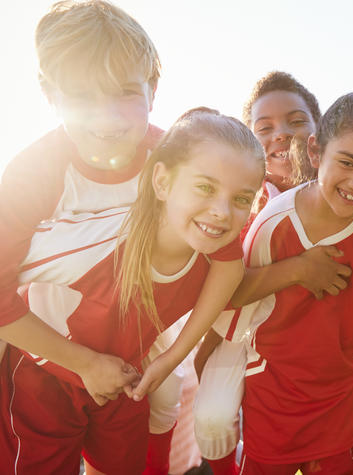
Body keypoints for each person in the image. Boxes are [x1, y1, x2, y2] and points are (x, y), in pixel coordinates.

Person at [0, 3, 247, 473]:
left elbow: (228, 260)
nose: (106, 116)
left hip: (127, 370)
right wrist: (83, 363)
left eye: (124, 92)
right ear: (50, 94)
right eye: (81, 95)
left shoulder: (176, 158)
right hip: (42, 368)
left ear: (153, 90)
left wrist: (171, 356)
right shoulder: (32, 175)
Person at [194, 75, 353, 475]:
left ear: (314, 133)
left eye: (295, 121)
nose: (282, 136)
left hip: (337, 331)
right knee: (212, 414)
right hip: (252, 327)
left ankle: (349, 439)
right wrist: (298, 269)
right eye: (265, 128)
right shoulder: (252, 204)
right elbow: (230, 296)